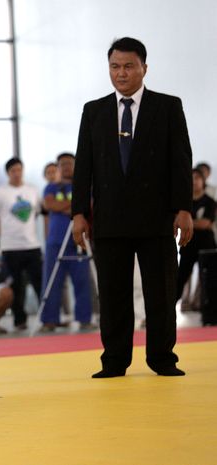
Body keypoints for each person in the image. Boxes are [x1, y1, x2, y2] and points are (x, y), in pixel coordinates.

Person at [72, 37, 193, 378]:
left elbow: (181, 162)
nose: (121, 73)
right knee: (112, 296)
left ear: (144, 68)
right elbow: (85, 166)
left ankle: (162, 359)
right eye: (115, 66)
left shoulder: (168, 107)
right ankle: (114, 361)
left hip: (157, 218)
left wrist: (183, 209)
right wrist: (79, 213)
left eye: (128, 66)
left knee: (160, 293)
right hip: (108, 220)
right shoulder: (94, 111)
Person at [0, 158, 43, 331]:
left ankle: (47, 318)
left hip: (32, 245)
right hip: (10, 247)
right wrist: (2, 235)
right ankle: (20, 320)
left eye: (19, 170)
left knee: (39, 282)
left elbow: (37, 212)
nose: (17, 173)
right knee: (16, 286)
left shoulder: (32, 190)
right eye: (13, 171)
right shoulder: (0, 193)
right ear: (8, 173)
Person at [40, 153, 94, 331]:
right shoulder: (50, 187)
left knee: (82, 281)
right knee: (52, 281)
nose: (66, 167)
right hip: (55, 240)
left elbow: (89, 205)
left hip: (78, 240)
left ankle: (85, 319)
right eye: (62, 164)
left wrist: (65, 207)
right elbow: (50, 205)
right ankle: (49, 320)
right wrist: (74, 208)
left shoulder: (84, 186)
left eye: (69, 163)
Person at [175, 170, 215, 311]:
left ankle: (210, 312)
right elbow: (177, 222)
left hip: (207, 247)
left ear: (203, 181)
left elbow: (206, 223)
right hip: (188, 243)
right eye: (191, 178)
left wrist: (188, 222)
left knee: (209, 280)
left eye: (197, 178)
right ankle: (167, 308)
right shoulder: (184, 204)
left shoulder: (210, 202)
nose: (194, 181)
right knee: (180, 278)